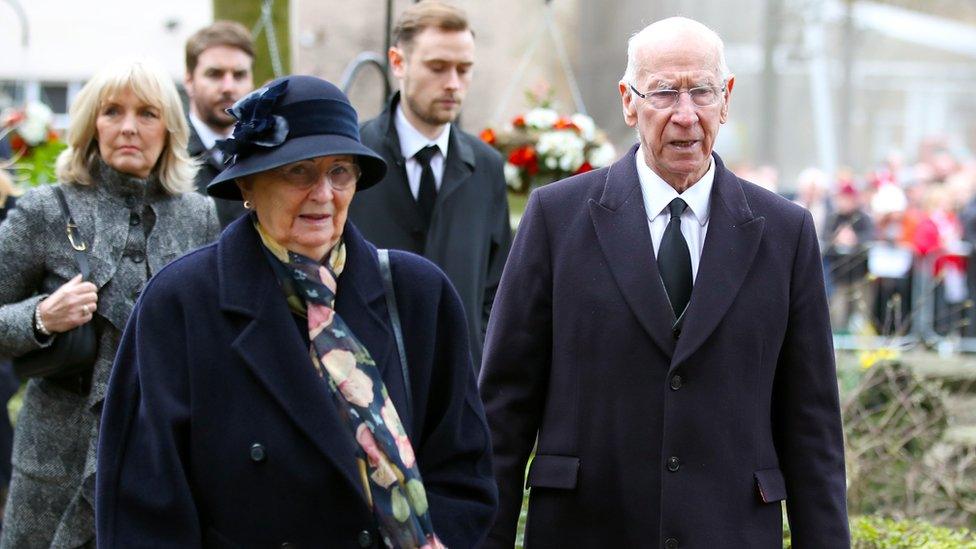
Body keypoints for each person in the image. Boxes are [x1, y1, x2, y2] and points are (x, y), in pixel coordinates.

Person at [478, 17, 850, 548]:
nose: (685, 114)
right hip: (586, 530)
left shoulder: (785, 232)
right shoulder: (556, 218)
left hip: (730, 531)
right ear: (629, 102)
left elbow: (812, 424)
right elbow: (504, 408)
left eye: (702, 90)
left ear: (727, 98)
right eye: (664, 92)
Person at [96, 75, 497, 548]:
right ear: (248, 184)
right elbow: (144, 504)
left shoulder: (418, 294)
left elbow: (464, 470)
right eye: (298, 172)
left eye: (340, 172)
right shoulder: (181, 302)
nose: (323, 194)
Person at [0, 59, 219, 548]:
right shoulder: (43, 210)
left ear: (169, 129)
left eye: (147, 114)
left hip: (162, 453)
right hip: (54, 461)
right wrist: (40, 317)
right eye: (112, 112)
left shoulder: (201, 217)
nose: (128, 127)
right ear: (90, 124)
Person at [348, 0, 512, 367]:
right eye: (437, 67)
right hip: (367, 380)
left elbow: (499, 287)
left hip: (460, 384)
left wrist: (479, 354)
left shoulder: (487, 165)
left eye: (464, 69)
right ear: (398, 63)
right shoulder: (351, 160)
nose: (453, 83)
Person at [184, 20, 255, 228]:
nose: (228, 87)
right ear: (189, 82)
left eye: (239, 75)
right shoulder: (167, 155)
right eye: (214, 74)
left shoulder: (267, 152)